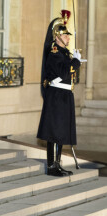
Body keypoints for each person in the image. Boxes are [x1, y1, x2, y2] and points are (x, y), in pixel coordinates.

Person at [37, 10, 82, 177]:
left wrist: (73, 60)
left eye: (68, 36)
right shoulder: (55, 53)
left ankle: (57, 163)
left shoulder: (64, 53)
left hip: (64, 96)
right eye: (65, 36)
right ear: (57, 36)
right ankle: (51, 166)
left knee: (61, 131)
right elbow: (64, 72)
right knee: (54, 131)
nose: (68, 38)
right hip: (56, 95)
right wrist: (75, 62)